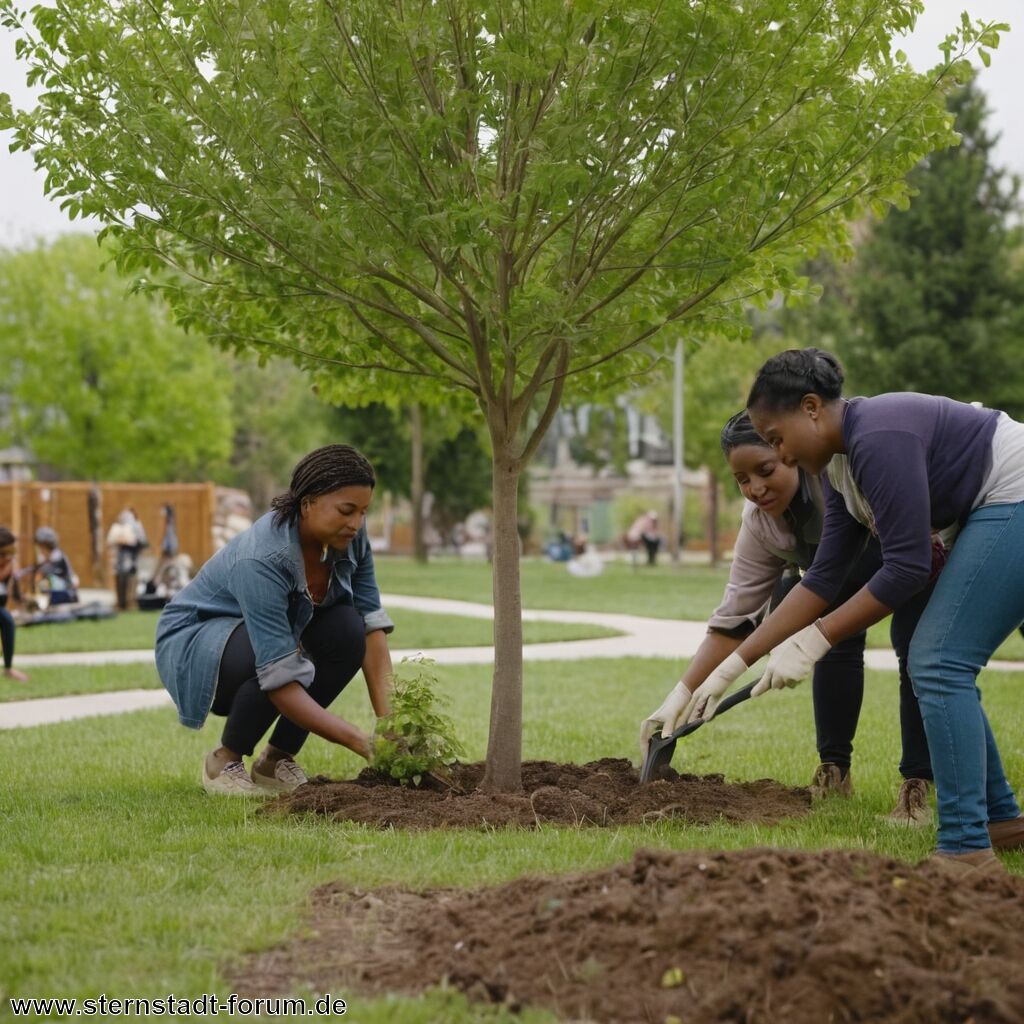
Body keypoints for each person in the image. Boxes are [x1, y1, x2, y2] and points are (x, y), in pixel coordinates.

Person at [680, 348, 1024, 875]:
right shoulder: (839, 466)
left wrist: (818, 639)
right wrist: (733, 665)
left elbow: (906, 567)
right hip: (991, 509)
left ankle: (964, 848)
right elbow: (822, 576)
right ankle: (999, 821)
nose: (781, 454)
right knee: (941, 661)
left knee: (936, 660)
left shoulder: (878, 437)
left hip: (1013, 495)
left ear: (812, 408)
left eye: (776, 439)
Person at [640, 412, 935, 821]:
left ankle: (917, 783)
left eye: (765, 470)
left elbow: (909, 550)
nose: (755, 488)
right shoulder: (761, 525)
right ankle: (835, 770)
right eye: (742, 480)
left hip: (908, 560)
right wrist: (683, 693)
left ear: (789, 453)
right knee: (831, 645)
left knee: (915, 650)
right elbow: (735, 620)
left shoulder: (843, 481)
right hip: (831, 582)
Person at [156, 444, 395, 797]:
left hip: (268, 638)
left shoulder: (349, 540)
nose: (357, 524)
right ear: (308, 503)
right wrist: (362, 742)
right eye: (347, 510)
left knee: (348, 630)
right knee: (273, 655)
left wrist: (392, 727)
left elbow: (371, 628)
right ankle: (224, 762)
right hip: (196, 640)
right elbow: (279, 676)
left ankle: (275, 760)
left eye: (363, 512)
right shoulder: (263, 557)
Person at [0, 526, 29, 682]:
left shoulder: (8, 567)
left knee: (8, 621)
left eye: (12, 553)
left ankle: (8, 669)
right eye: (4, 554)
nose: (8, 558)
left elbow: (11, 596)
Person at [107, 507, 148, 611]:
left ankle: (130, 603)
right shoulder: (117, 527)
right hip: (119, 560)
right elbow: (110, 542)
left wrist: (132, 542)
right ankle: (121, 603)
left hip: (132, 559)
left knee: (131, 581)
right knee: (120, 581)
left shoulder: (137, 526)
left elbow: (143, 542)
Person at [29, 527, 79, 606]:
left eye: (41, 547)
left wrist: (39, 577)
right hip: (57, 595)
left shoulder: (57, 557)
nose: (40, 550)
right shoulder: (48, 558)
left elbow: (42, 573)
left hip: (66, 594)